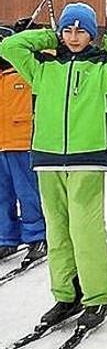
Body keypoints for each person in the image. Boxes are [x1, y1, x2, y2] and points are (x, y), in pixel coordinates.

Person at [0, 2, 107, 329]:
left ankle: (96, 295)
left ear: (91, 33)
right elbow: (9, 45)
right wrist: (48, 37)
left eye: (81, 30)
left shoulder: (102, 70)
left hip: (88, 158)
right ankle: (66, 294)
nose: (74, 36)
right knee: (58, 231)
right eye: (68, 29)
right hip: (47, 159)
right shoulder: (42, 68)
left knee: (85, 230)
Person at [0, 23, 46, 264]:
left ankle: (37, 236)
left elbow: (50, 54)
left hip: (22, 144)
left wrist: (33, 34)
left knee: (28, 193)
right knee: (2, 195)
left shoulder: (26, 71)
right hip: (0, 146)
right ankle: (5, 237)